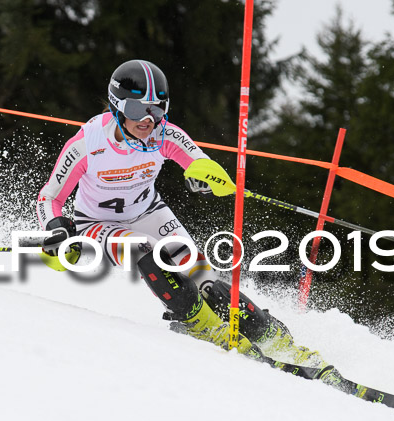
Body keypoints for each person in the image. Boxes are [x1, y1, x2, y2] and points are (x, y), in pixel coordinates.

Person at [36, 59, 323, 366]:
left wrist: (204, 176)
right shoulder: (88, 143)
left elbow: (200, 163)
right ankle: (200, 324)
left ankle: (271, 336)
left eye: (156, 109)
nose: (147, 120)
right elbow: (49, 196)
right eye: (137, 111)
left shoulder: (164, 135)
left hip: (150, 212)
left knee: (205, 278)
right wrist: (55, 228)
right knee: (141, 248)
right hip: (97, 223)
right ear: (117, 107)